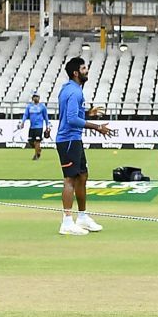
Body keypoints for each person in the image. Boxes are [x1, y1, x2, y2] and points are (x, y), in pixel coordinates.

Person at [56, 56, 113, 235]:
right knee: (70, 179)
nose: (86, 70)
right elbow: (72, 119)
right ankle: (66, 222)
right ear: (75, 73)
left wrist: (88, 112)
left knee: (82, 176)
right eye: (83, 68)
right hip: (68, 140)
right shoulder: (75, 92)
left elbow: (71, 113)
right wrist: (97, 127)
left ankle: (82, 217)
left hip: (73, 139)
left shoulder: (70, 89)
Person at [23, 91, 49, 161]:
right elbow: (25, 115)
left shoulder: (42, 106)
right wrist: (23, 122)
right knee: (31, 141)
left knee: (37, 141)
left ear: (39, 98)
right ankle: (38, 150)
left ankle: (36, 155)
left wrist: (47, 126)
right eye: (34, 97)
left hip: (39, 127)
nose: (35, 98)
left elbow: (46, 116)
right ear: (32, 98)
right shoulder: (29, 106)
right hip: (32, 127)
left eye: (37, 97)